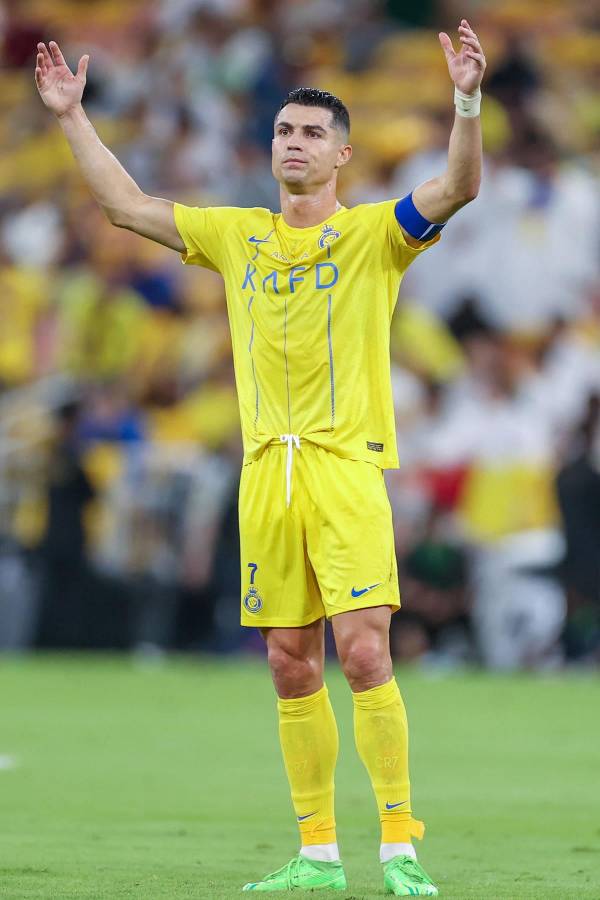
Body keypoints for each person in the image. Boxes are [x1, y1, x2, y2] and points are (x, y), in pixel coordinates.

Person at [35, 19, 485, 895]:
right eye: (284, 130)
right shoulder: (236, 234)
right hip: (264, 475)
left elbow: (459, 186)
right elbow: (127, 208)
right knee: (288, 657)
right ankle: (318, 856)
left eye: (313, 133)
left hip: (345, 466)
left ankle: (399, 847)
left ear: (343, 155)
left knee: (363, 652)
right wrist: (70, 118)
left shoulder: (374, 236)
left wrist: (466, 101)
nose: (295, 142)